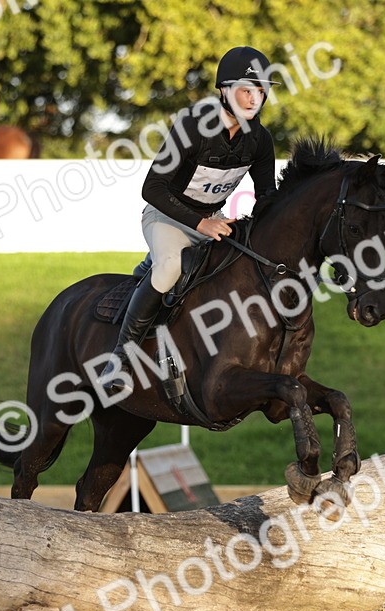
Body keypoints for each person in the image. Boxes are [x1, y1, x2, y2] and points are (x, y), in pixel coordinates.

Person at [102, 45, 279, 394]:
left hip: (212, 219)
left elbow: (267, 196)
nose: (253, 98)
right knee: (169, 268)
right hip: (167, 216)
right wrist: (201, 225)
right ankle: (120, 359)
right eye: (246, 89)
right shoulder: (192, 127)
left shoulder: (260, 140)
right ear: (224, 91)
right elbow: (151, 188)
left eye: (260, 91)